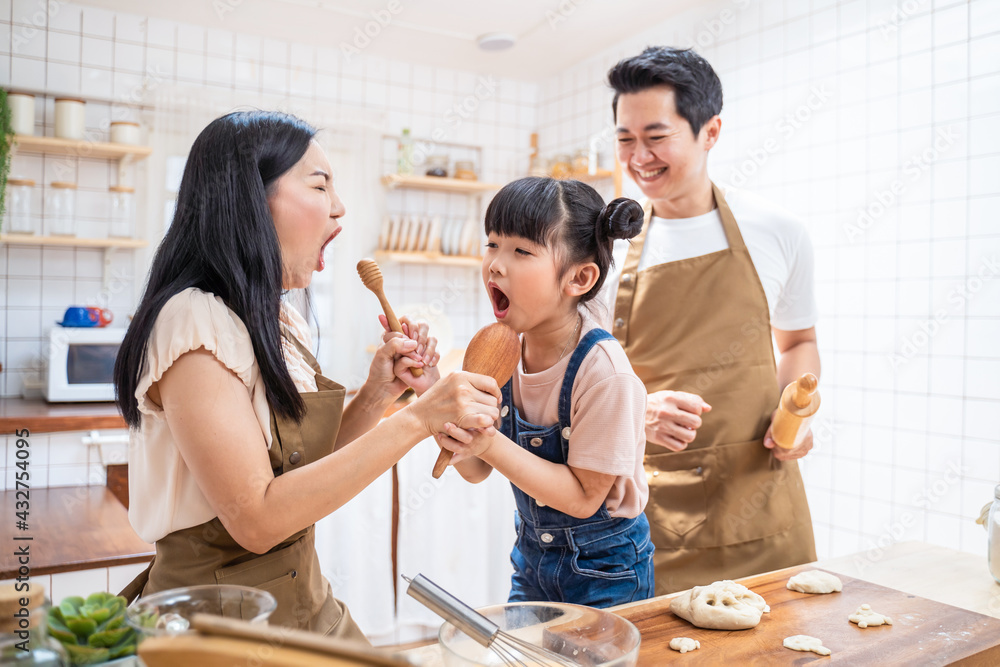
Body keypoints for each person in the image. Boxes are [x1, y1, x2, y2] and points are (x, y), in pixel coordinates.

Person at [113, 111, 501, 640]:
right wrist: (417, 421)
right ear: (248, 199)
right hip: (221, 622)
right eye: (319, 185)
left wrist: (377, 395)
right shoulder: (193, 320)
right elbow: (257, 519)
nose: (339, 207)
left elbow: (296, 469)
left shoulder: (273, 318)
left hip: (300, 598)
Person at [604, 47, 821, 595]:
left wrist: (794, 410)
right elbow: (566, 378)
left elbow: (798, 341)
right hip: (646, 516)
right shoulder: (604, 251)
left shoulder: (778, 231)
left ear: (711, 131)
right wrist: (636, 410)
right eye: (625, 138)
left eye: (656, 137)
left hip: (761, 508)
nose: (639, 157)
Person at [437, 177, 655, 609]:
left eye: (521, 251)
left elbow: (581, 498)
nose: (496, 264)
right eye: (493, 244)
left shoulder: (604, 373)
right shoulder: (502, 350)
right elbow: (478, 469)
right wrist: (433, 394)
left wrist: (488, 440)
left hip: (606, 571)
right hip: (533, 560)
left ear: (579, 277)